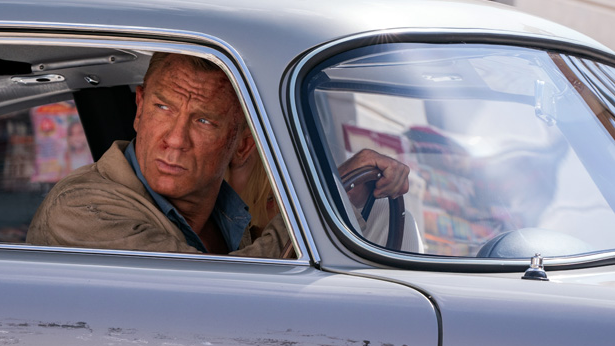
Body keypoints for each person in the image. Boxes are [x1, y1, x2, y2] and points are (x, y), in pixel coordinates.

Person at [27, 52, 409, 257]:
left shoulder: (225, 216)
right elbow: (215, 301)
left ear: (241, 143)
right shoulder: (80, 207)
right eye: (163, 108)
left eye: (204, 121)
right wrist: (330, 196)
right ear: (139, 108)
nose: (175, 140)